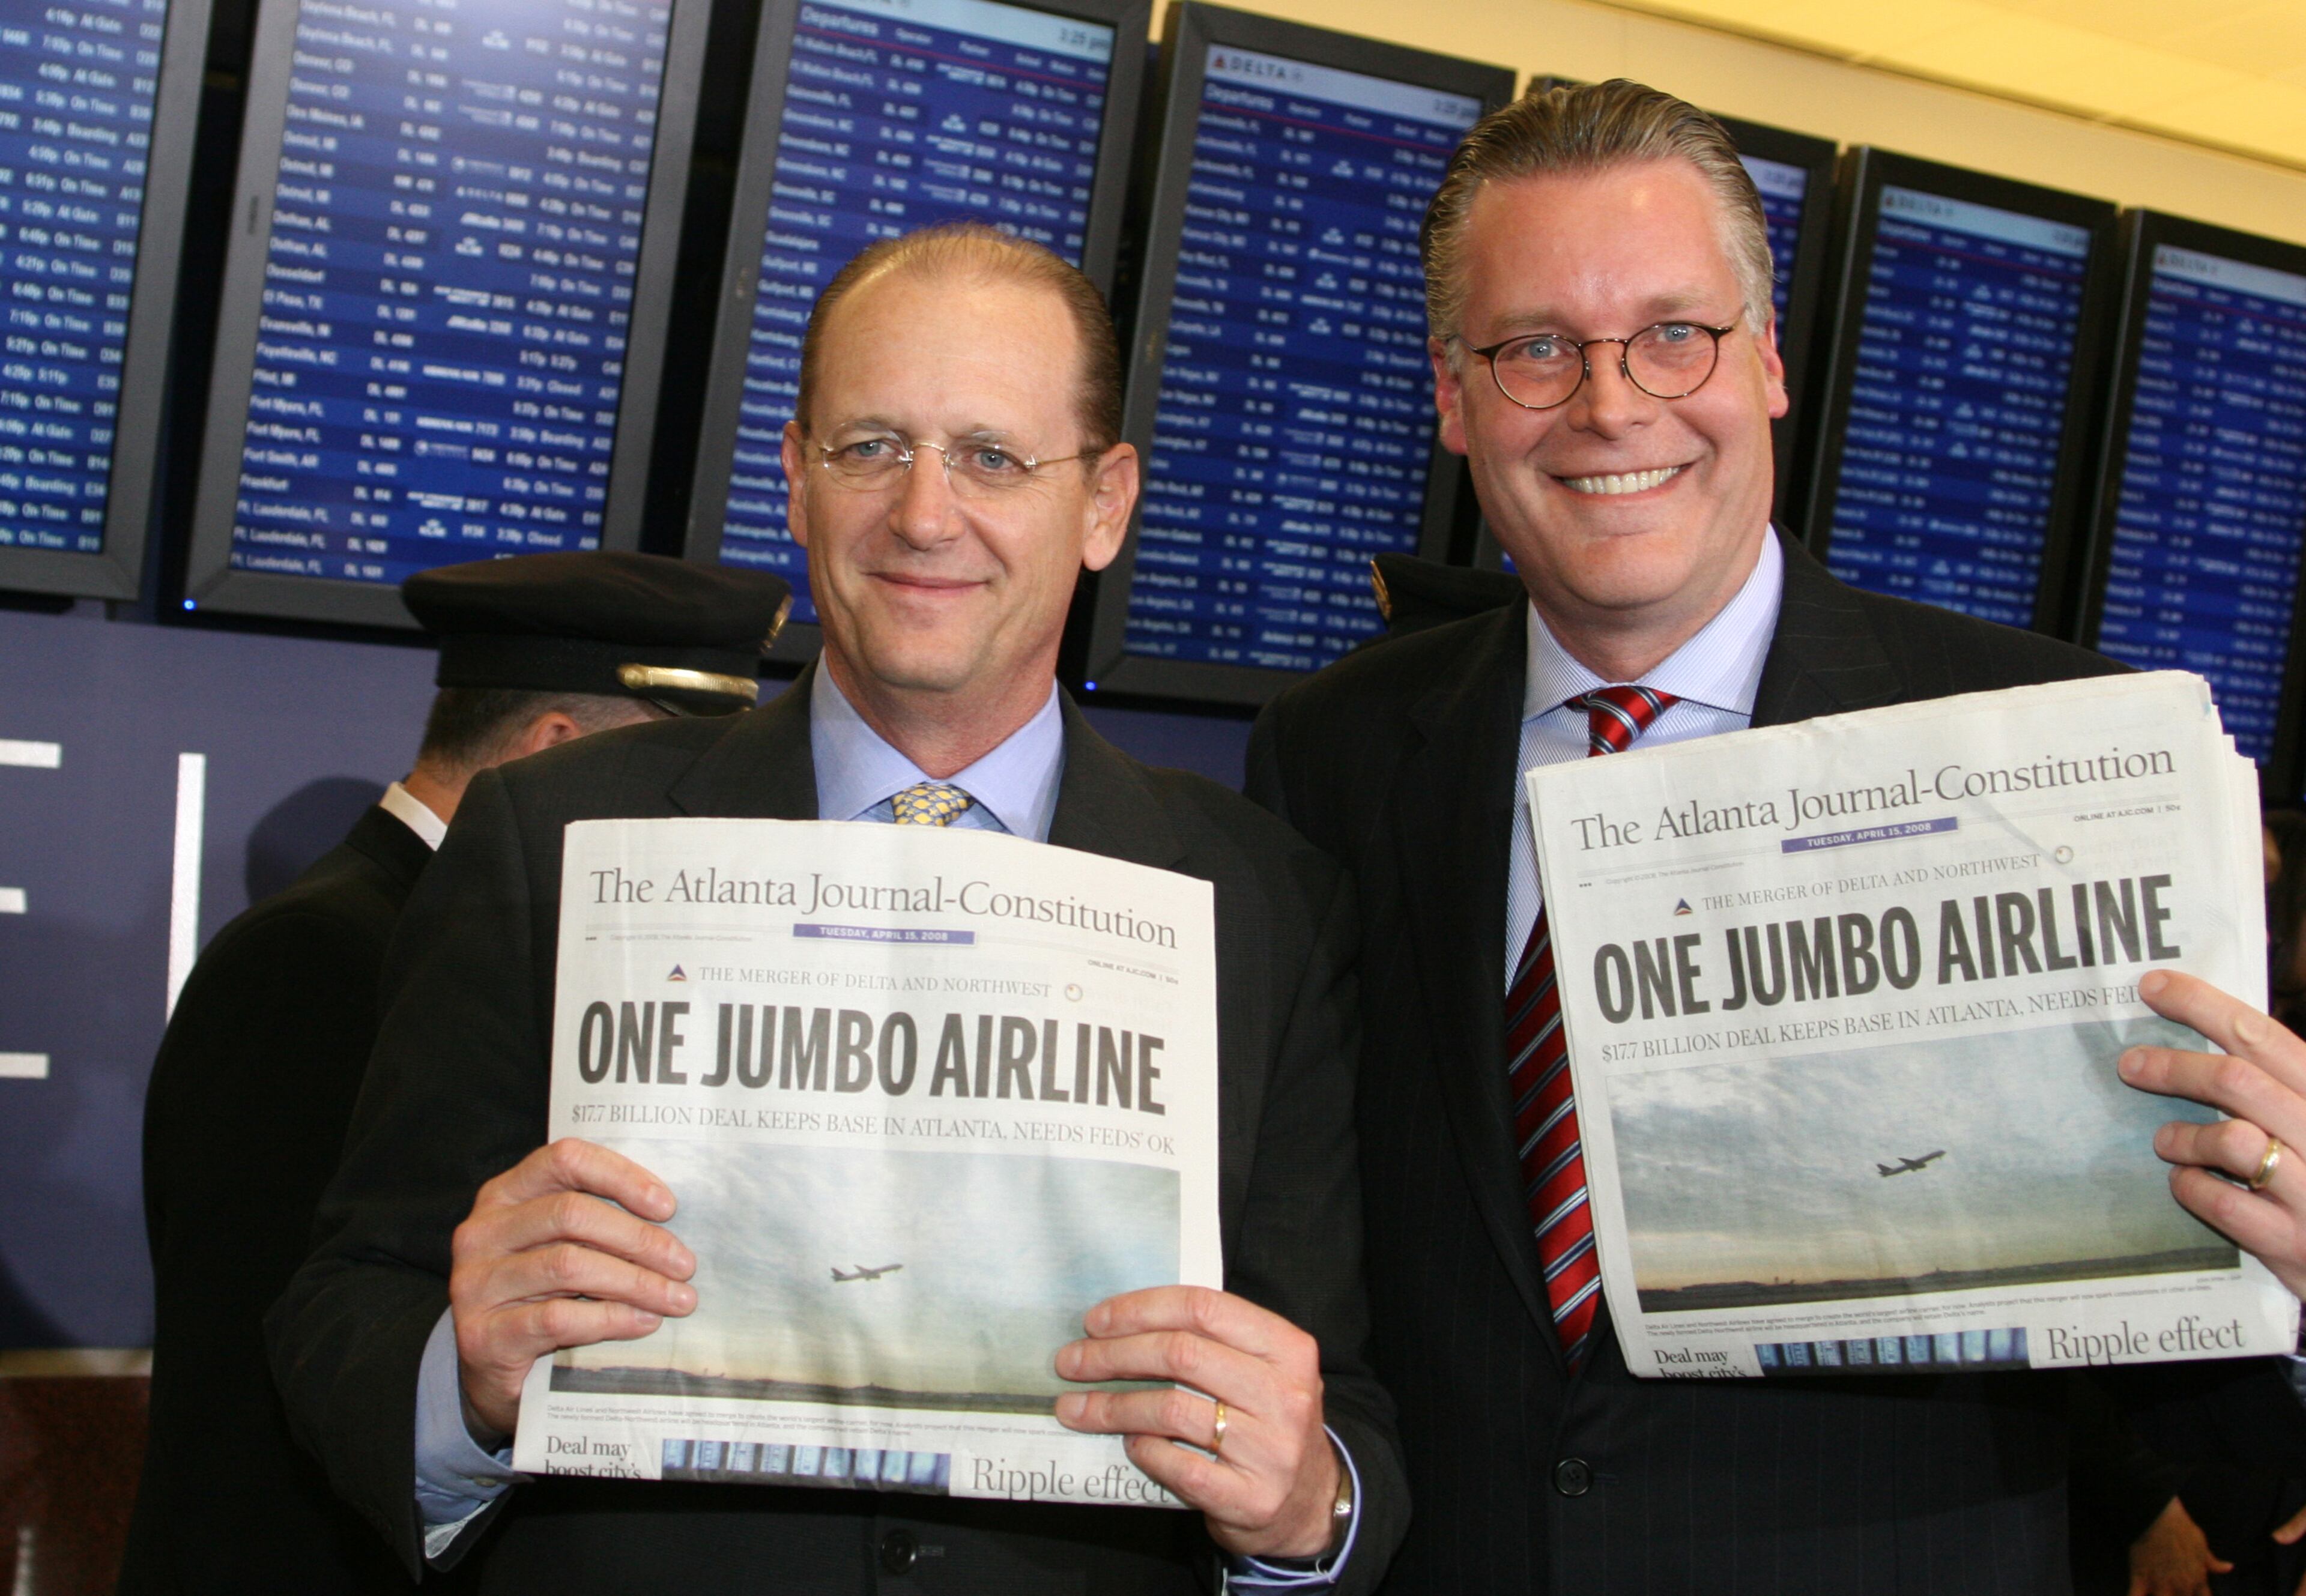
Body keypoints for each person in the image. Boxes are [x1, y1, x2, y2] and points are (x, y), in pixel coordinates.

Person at [1247, 78, 2306, 1592]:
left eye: (1675, 332)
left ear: (1767, 362)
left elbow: (2186, 1359)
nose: (1613, 403)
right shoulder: (1330, 752)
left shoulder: (2058, 746)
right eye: (1537, 347)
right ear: (1453, 396)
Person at [265, 223, 1406, 1594]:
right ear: (797, 479)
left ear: (1105, 504)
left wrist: (1304, 1508)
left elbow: (1339, 1405)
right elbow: (343, 1307)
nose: (925, 514)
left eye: (993, 456)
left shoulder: (1260, 904)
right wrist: (468, 1376)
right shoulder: (551, 841)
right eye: (872, 447)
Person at [118, 552, 790, 1595]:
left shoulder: (451, 950)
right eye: (672, 782)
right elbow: (266, 1401)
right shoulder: (319, 962)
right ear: (553, 756)